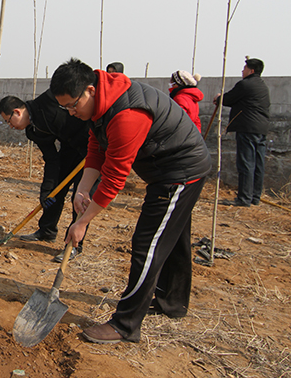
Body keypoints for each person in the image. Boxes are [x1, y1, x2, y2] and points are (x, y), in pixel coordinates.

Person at [51, 58, 211, 344]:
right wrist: (82, 189)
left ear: (89, 89)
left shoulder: (127, 115)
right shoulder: (102, 102)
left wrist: (82, 222)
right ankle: (171, 303)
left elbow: (114, 179)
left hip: (179, 171)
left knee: (147, 244)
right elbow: (97, 148)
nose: (71, 112)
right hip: (167, 168)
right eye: (65, 108)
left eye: (73, 105)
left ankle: (125, 324)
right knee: (172, 237)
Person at [0, 91, 91, 262]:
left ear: (17, 112)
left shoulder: (47, 102)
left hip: (90, 147)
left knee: (80, 196)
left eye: (8, 121)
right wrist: (46, 191)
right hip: (70, 149)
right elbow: (51, 159)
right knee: (54, 193)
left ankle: (74, 245)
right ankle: (47, 231)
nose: (10, 126)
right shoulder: (32, 131)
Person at [213, 57, 270, 207]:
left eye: (244, 68)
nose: (242, 71)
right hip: (261, 129)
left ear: (251, 70)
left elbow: (229, 99)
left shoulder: (245, 85)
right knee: (258, 164)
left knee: (246, 163)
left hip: (247, 128)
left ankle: (244, 198)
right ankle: (255, 197)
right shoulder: (263, 86)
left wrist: (219, 98)